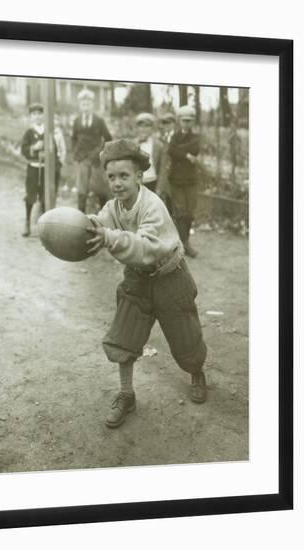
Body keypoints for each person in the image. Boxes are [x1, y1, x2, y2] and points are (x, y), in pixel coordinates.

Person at [86, 138, 207, 428]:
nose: (117, 183)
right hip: (138, 278)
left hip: (170, 275)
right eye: (111, 177)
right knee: (123, 335)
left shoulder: (152, 205)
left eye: (124, 176)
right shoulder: (114, 206)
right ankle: (126, 394)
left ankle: (196, 372)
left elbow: (146, 248)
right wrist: (82, 226)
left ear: (139, 177)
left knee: (185, 337)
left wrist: (109, 238)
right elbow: (100, 222)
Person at [71, 89, 112, 213]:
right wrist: (76, 152)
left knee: (100, 189)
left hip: (96, 160)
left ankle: (104, 218)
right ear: (80, 106)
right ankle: (80, 218)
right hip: (82, 159)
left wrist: (99, 152)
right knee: (81, 191)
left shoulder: (99, 121)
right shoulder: (77, 121)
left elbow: (108, 138)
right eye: (83, 104)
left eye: (88, 104)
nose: (86, 107)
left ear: (92, 105)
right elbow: (73, 138)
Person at [168, 105, 201, 257]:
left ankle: (184, 242)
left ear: (193, 121)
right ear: (179, 121)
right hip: (176, 179)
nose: (186, 123)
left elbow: (195, 148)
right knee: (180, 212)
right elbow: (171, 150)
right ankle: (184, 244)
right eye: (183, 120)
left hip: (190, 180)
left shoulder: (196, 137)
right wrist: (186, 155)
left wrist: (180, 150)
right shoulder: (174, 137)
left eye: (189, 120)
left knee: (190, 212)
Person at [20, 103, 46, 237]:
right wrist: (34, 148)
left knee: (45, 196)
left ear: (43, 115)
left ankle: (46, 226)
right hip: (33, 168)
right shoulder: (29, 133)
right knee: (30, 195)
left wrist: (47, 152)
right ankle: (27, 222)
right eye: (34, 114)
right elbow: (23, 149)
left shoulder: (48, 131)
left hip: (45, 169)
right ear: (31, 117)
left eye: (40, 114)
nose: (37, 117)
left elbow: (55, 149)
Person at [134, 112, 163, 193]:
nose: (143, 129)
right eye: (141, 126)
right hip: (137, 183)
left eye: (147, 126)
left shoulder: (158, 145)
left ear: (152, 128)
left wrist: (159, 188)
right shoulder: (132, 144)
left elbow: (162, 169)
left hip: (152, 181)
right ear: (137, 128)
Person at [156, 112, 176, 214]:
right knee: (167, 201)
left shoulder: (176, 137)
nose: (166, 126)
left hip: (175, 173)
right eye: (164, 124)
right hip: (165, 173)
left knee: (175, 202)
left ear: (173, 124)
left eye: (168, 123)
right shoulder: (162, 138)